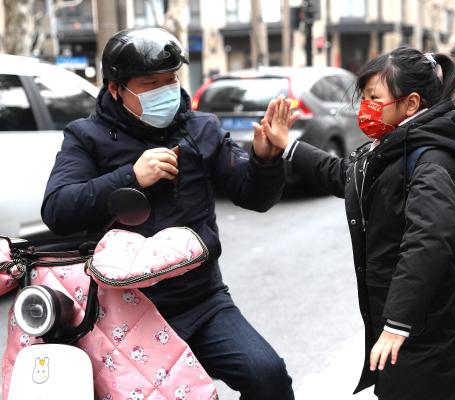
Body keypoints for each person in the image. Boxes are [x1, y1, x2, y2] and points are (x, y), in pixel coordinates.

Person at [41, 27, 294, 400]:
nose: (165, 90)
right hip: (120, 311)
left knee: (268, 376)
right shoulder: (85, 137)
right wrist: (131, 177)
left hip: (202, 301)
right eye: (150, 83)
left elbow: (254, 196)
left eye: (170, 79)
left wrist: (266, 159)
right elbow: (58, 209)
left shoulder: (201, 129)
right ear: (116, 89)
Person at [256, 47, 455, 400]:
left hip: (430, 335)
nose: (364, 108)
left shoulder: (431, 161)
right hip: (417, 329)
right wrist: (289, 147)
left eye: (374, 98)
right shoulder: (397, 146)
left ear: (411, 104)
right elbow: (347, 177)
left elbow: (428, 242)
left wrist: (396, 326)